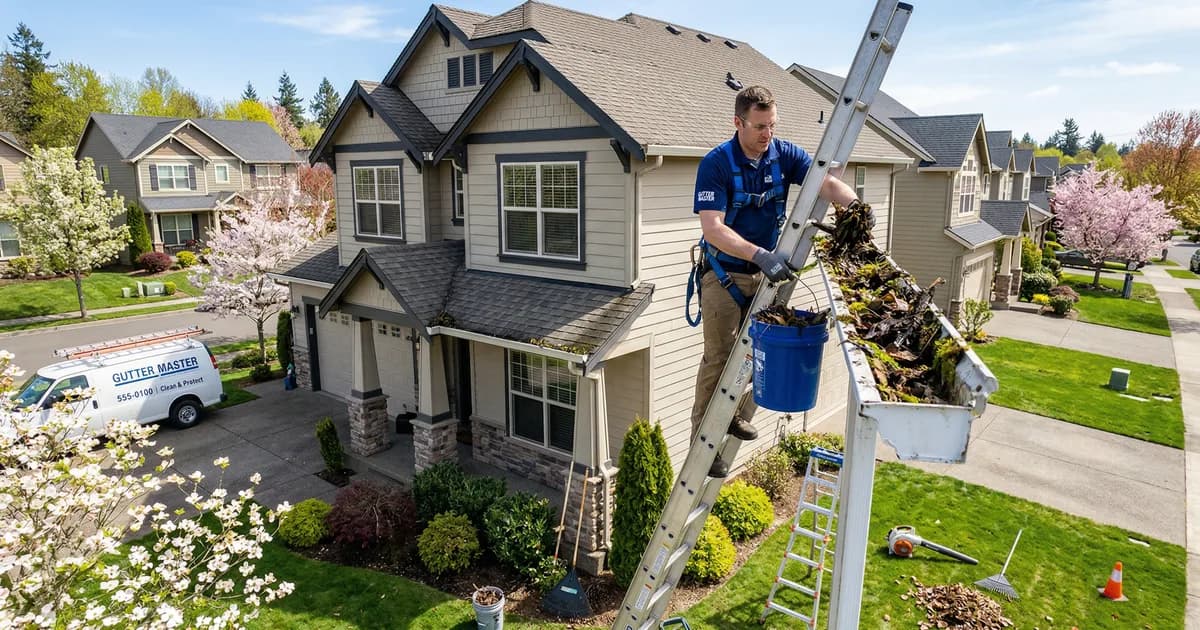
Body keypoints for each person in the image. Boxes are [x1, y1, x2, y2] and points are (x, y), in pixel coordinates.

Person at [689, 85, 866, 478]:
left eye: (772, 125)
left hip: (767, 275)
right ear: (738, 123)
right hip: (726, 274)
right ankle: (702, 441)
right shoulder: (717, 164)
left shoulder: (783, 155)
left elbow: (825, 183)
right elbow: (713, 228)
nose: (767, 133)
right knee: (719, 357)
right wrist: (758, 254)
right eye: (759, 126)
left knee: (762, 350)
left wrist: (855, 206)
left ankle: (735, 414)